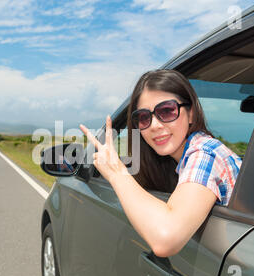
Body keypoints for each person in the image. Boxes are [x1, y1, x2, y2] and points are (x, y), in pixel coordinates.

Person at [79, 69, 242, 258]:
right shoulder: (180, 160)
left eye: (166, 111)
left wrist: (117, 174)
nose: (154, 125)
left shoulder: (205, 153)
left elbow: (165, 239)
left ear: (191, 114)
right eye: (144, 117)